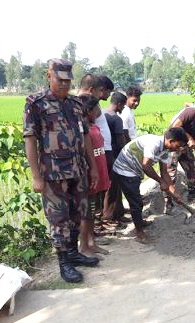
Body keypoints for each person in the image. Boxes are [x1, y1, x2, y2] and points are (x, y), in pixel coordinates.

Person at [23, 58, 100, 283]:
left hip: (78, 170)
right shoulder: (36, 103)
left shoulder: (76, 105)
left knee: (79, 213)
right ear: (49, 77)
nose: (65, 84)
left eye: (68, 80)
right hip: (53, 174)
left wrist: (93, 167)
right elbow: (30, 139)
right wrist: (36, 176)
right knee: (59, 219)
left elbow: (85, 136)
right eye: (60, 79)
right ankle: (64, 262)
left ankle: (74, 253)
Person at [112, 128, 188, 242]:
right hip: (125, 169)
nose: (178, 149)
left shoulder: (165, 150)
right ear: (171, 141)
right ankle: (140, 234)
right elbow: (146, 166)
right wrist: (161, 181)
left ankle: (140, 223)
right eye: (178, 145)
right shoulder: (155, 144)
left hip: (134, 170)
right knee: (136, 203)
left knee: (136, 201)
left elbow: (164, 173)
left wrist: (174, 193)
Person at [77, 94, 111, 257]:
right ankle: (84, 245)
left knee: (93, 211)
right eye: (97, 107)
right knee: (87, 213)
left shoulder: (93, 126)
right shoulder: (84, 130)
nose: (99, 110)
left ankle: (92, 242)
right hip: (91, 176)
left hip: (100, 175)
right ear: (89, 110)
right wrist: (93, 171)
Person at [102, 92, 127, 223]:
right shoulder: (116, 119)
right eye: (123, 106)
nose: (123, 109)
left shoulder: (101, 114)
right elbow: (120, 141)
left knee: (107, 186)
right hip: (114, 155)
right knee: (114, 187)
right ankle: (111, 217)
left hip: (102, 155)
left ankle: (116, 213)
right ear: (119, 104)